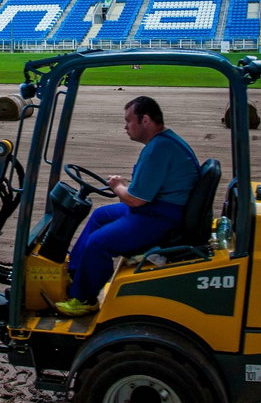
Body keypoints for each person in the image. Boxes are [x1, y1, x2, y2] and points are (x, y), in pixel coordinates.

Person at [55, 96, 201, 317]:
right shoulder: (164, 143)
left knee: (98, 243)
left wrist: (118, 186)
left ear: (146, 120)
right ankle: (76, 273)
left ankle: (84, 299)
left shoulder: (158, 149)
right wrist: (123, 187)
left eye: (129, 120)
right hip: (159, 208)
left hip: (161, 216)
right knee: (101, 215)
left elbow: (135, 200)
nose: (125, 127)